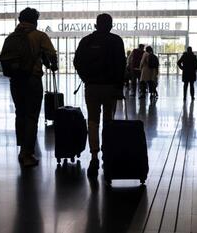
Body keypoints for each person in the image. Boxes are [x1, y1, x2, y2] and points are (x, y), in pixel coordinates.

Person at [74, 13, 126, 178]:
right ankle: (108, 152)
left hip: (92, 87)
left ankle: (94, 155)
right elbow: (121, 65)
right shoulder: (116, 41)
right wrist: (119, 86)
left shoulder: (86, 41)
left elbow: (77, 62)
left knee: (93, 121)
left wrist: (86, 78)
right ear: (111, 25)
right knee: (108, 121)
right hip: (111, 87)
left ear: (95, 24)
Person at [9, 8, 58, 166]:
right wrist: (52, 65)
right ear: (35, 21)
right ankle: (27, 153)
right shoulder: (39, 36)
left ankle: (21, 148)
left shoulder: (12, 37)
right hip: (32, 80)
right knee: (31, 117)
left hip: (15, 81)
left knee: (20, 114)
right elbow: (51, 54)